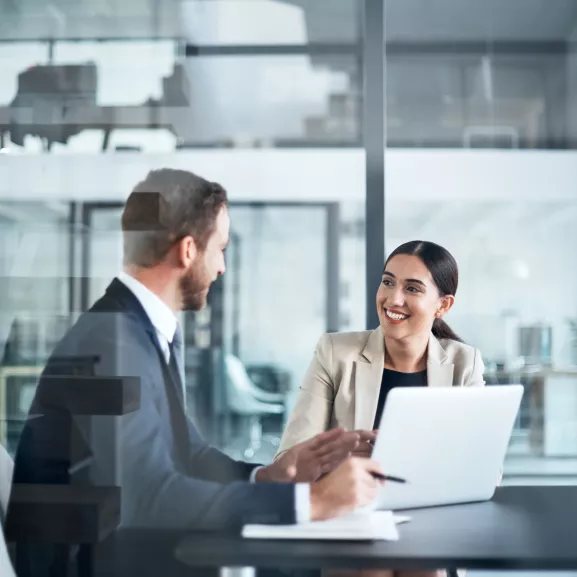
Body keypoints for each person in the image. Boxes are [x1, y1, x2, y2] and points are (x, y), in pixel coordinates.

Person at [10, 170, 384, 547]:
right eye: (219, 249)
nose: (221, 266)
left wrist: (269, 477)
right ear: (188, 250)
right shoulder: (112, 343)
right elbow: (145, 497)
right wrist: (311, 501)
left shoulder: (139, 330)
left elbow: (188, 453)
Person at [275, 240, 484, 577]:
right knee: (376, 564)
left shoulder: (464, 363)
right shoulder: (336, 352)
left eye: (412, 288)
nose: (393, 299)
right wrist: (338, 459)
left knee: (419, 559)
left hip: (427, 519)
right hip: (349, 515)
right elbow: (288, 463)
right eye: (388, 282)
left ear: (442, 305)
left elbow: (483, 468)